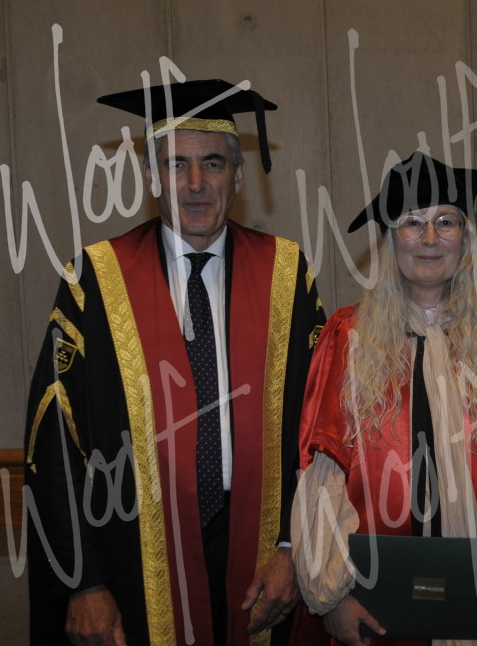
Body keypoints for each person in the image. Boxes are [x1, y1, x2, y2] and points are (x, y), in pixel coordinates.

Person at [24, 79, 327, 645]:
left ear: (239, 176)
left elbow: (321, 426)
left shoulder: (287, 276)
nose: (195, 184)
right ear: (150, 177)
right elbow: (54, 440)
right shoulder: (95, 282)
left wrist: (293, 546)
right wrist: (83, 581)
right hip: (132, 554)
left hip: (261, 551)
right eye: (175, 164)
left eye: (213, 163)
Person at [290, 152, 477, 646]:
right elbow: (324, 471)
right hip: (374, 603)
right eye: (413, 222)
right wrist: (333, 597)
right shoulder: (348, 339)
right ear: (390, 239)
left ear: (466, 239)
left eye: (446, 222)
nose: (430, 238)